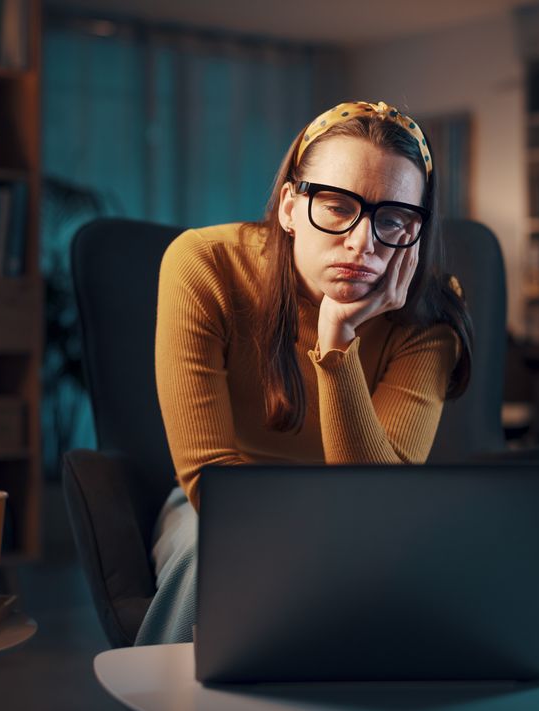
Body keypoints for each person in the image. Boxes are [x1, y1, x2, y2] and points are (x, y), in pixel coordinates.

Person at [135, 100, 474, 645]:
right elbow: (212, 483)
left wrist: (338, 340)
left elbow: (379, 506)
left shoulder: (431, 307)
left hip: (367, 518)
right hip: (224, 504)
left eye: (393, 219)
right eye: (338, 207)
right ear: (291, 206)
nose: (363, 244)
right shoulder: (204, 263)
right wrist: (320, 546)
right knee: (210, 551)